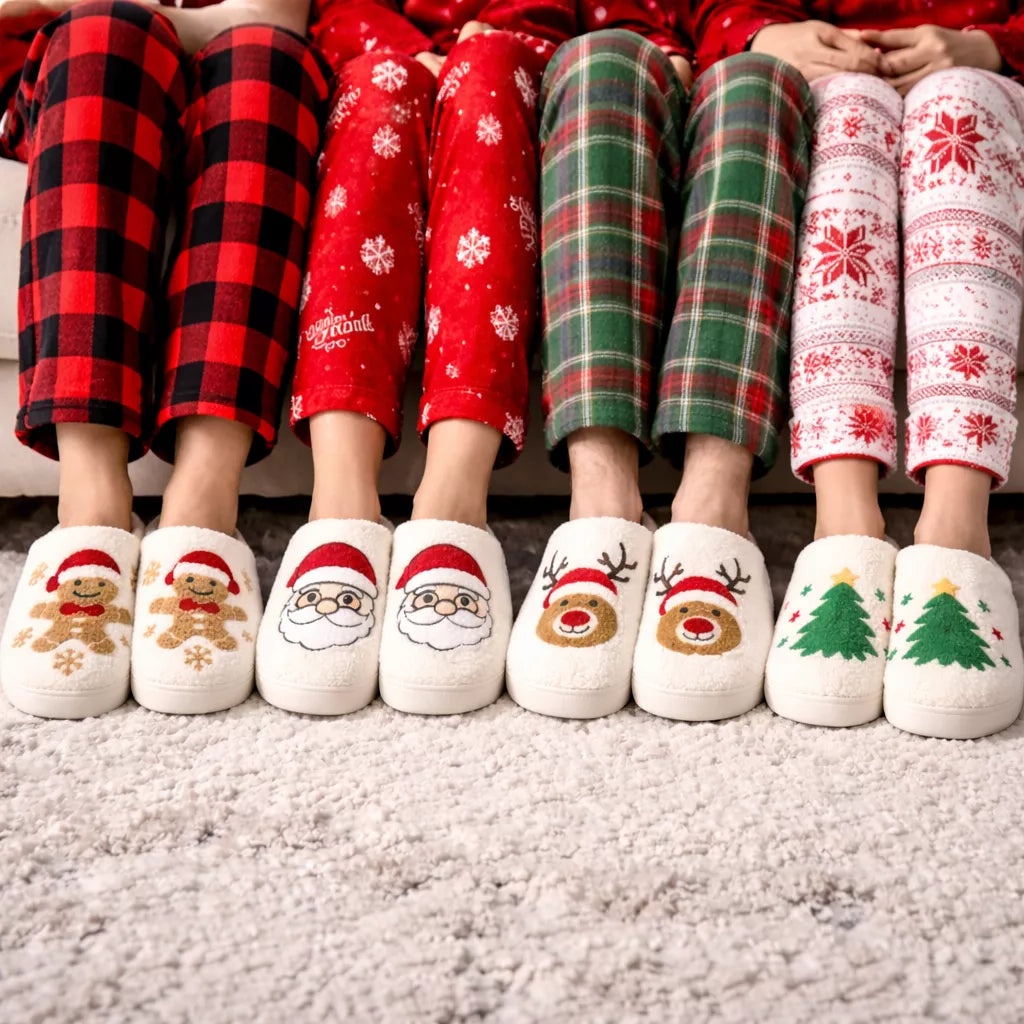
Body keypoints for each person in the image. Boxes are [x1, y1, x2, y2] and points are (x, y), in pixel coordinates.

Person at [704, 0, 1024, 737]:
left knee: (957, 109)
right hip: (832, 77)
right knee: (841, 119)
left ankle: (955, 528)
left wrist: (992, 45)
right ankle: (843, 522)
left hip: (983, 78)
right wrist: (759, 32)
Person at [0, 0, 329, 718]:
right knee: (105, 35)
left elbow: (278, 15)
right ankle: (91, 506)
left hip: (233, 69)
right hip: (77, 72)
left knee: (266, 60)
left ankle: (201, 505)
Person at [253, 0, 576, 717]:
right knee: (379, 88)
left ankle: (452, 503)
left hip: (518, 69)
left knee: (488, 75)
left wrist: (482, 48)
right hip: (383, 58)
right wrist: (409, 52)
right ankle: (340, 502)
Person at [504, 1, 815, 719]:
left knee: (755, 85)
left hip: (743, 54)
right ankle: (602, 495)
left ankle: (715, 502)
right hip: (613, 55)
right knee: (601, 62)